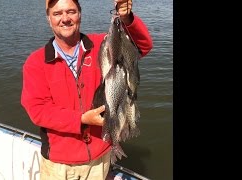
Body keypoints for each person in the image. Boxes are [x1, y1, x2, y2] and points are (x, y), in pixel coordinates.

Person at [21, 0, 152, 179]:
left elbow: (141, 47)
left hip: (101, 158)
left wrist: (126, 17)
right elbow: (38, 110)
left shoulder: (102, 44)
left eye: (71, 11)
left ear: (80, 14)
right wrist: (81, 119)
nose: (65, 18)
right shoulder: (36, 62)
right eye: (57, 13)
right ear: (48, 19)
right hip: (59, 165)